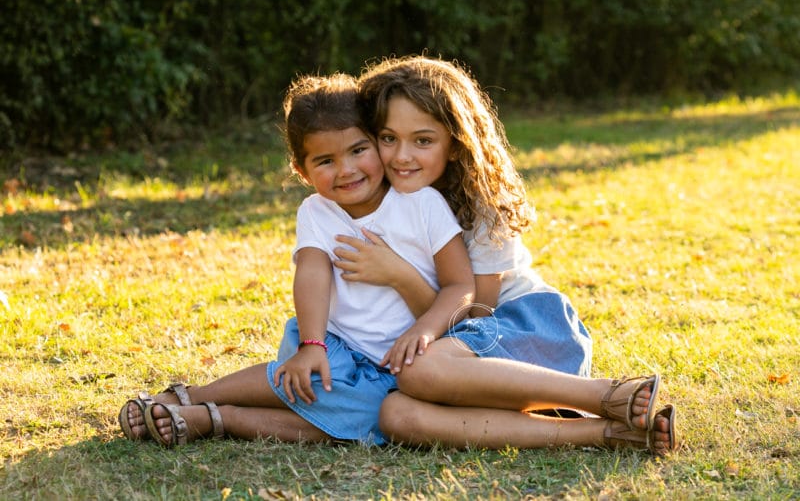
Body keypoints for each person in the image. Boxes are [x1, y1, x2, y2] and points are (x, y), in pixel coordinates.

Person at [333, 55, 678, 455]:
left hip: (525, 326)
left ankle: (605, 394)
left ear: (456, 143)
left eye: (423, 140)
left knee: (418, 370)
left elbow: (476, 314)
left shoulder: (479, 206)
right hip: (456, 361)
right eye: (388, 138)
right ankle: (610, 435)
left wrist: (401, 276)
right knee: (396, 417)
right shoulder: (376, 203)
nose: (401, 156)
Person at [117, 72, 475, 447]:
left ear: (376, 142)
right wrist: (312, 344)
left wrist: (424, 331)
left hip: (397, 363)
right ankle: (189, 396)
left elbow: (460, 286)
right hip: (332, 343)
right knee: (310, 378)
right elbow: (312, 273)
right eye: (325, 161)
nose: (346, 170)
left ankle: (217, 419)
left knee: (372, 415)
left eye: (358, 150)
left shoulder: (420, 204)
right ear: (301, 171)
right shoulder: (317, 211)